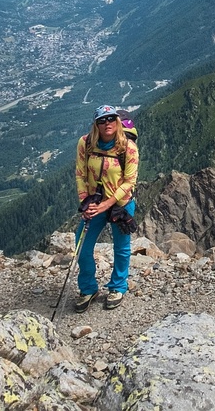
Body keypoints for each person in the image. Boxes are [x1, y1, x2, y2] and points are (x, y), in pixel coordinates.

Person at [73, 104, 139, 312]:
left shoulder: (128, 147)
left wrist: (106, 204)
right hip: (94, 204)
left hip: (120, 204)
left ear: (117, 121)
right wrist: (85, 202)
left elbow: (129, 181)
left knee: (121, 248)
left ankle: (118, 287)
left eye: (110, 118)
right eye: (101, 120)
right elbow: (80, 174)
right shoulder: (85, 143)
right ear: (96, 124)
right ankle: (88, 288)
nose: (107, 123)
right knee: (82, 247)